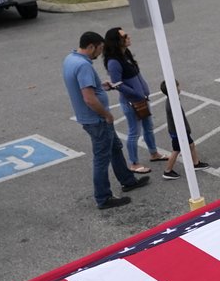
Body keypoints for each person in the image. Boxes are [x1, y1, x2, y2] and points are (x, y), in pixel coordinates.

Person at [63, 31, 149, 209]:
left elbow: (84, 87)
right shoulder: (83, 66)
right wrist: (106, 115)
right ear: (91, 46)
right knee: (102, 158)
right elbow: (89, 98)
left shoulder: (71, 59)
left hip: (90, 119)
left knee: (115, 148)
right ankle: (103, 197)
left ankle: (128, 180)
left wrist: (101, 86)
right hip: (97, 120)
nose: (101, 52)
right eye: (100, 48)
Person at [102, 27, 165, 173]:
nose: (128, 37)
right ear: (116, 41)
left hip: (141, 100)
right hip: (131, 103)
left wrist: (142, 94)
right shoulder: (114, 62)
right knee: (134, 132)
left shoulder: (126, 54)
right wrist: (136, 94)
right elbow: (117, 84)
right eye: (124, 36)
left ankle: (154, 153)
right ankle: (134, 163)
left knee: (148, 127)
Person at [157, 80, 209, 180]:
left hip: (178, 130)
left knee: (191, 145)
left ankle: (196, 163)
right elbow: (178, 120)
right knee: (176, 150)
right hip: (178, 131)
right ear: (173, 89)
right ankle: (167, 171)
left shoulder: (173, 99)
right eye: (177, 86)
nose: (179, 88)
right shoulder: (172, 104)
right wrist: (185, 130)